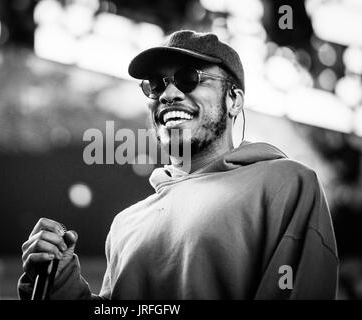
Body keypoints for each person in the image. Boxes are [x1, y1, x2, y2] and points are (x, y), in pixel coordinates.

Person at [18, 30, 339, 299]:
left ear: (234, 100)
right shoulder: (126, 224)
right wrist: (61, 284)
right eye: (156, 84)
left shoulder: (286, 184)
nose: (168, 93)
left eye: (189, 78)